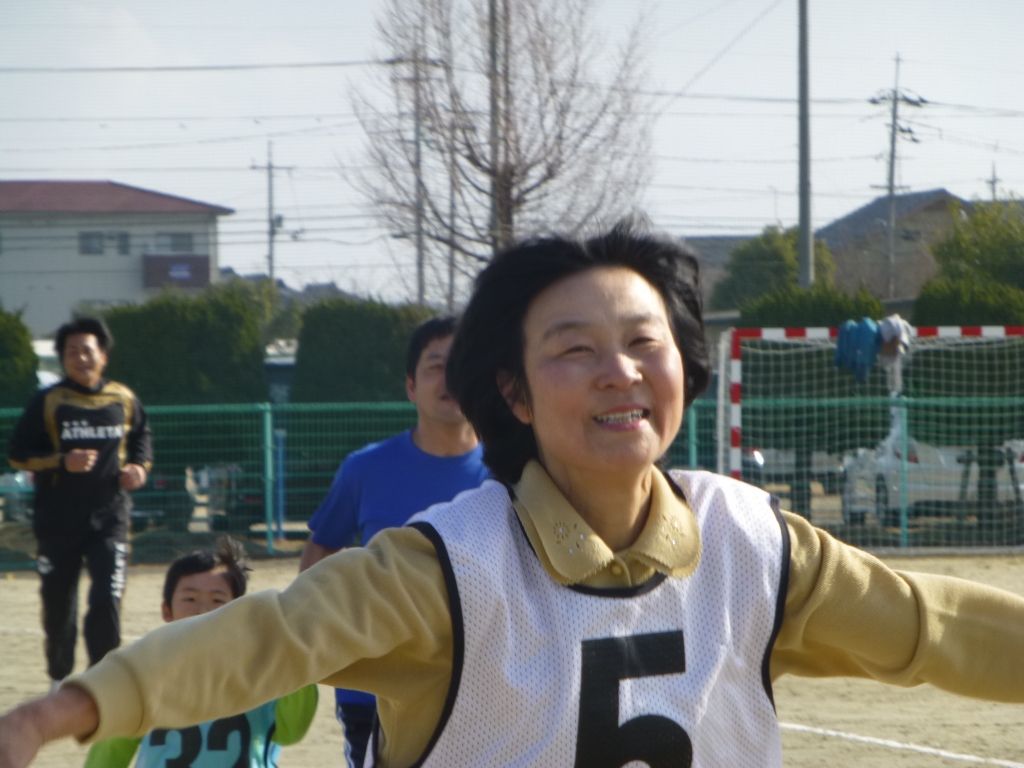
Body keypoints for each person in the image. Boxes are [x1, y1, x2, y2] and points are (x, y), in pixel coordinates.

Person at [7, 220, 1024, 768]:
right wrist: (65, 710)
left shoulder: (756, 543)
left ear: (684, 369)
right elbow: (265, 639)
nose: (620, 372)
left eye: (645, 343)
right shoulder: (444, 569)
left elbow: (929, 626)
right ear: (514, 394)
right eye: (575, 350)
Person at [298, 315, 489, 768]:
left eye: (461, 364)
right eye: (436, 366)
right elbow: (321, 550)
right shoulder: (364, 469)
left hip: (483, 687)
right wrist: (319, 631)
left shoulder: (514, 472)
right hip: (374, 690)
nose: (450, 377)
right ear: (410, 387)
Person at [81, 537, 318, 768]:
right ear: (166, 610)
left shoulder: (260, 668)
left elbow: (290, 732)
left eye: (217, 599)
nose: (203, 610)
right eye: (190, 598)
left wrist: (295, 659)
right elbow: (111, 752)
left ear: (239, 609)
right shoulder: (143, 673)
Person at [7, 317, 152, 692]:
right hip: (58, 522)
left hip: (110, 519)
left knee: (106, 599)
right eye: (71, 352)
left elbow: (141, 439)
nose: (80, 358)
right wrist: (61, 461)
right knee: (59, 606)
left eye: (87, 350)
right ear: (62, 359)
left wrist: (140, 467)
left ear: (103, 356)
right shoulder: (48, 401)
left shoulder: (123, 398)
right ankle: (59, 681)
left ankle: (102, 682)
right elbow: (18, 454)